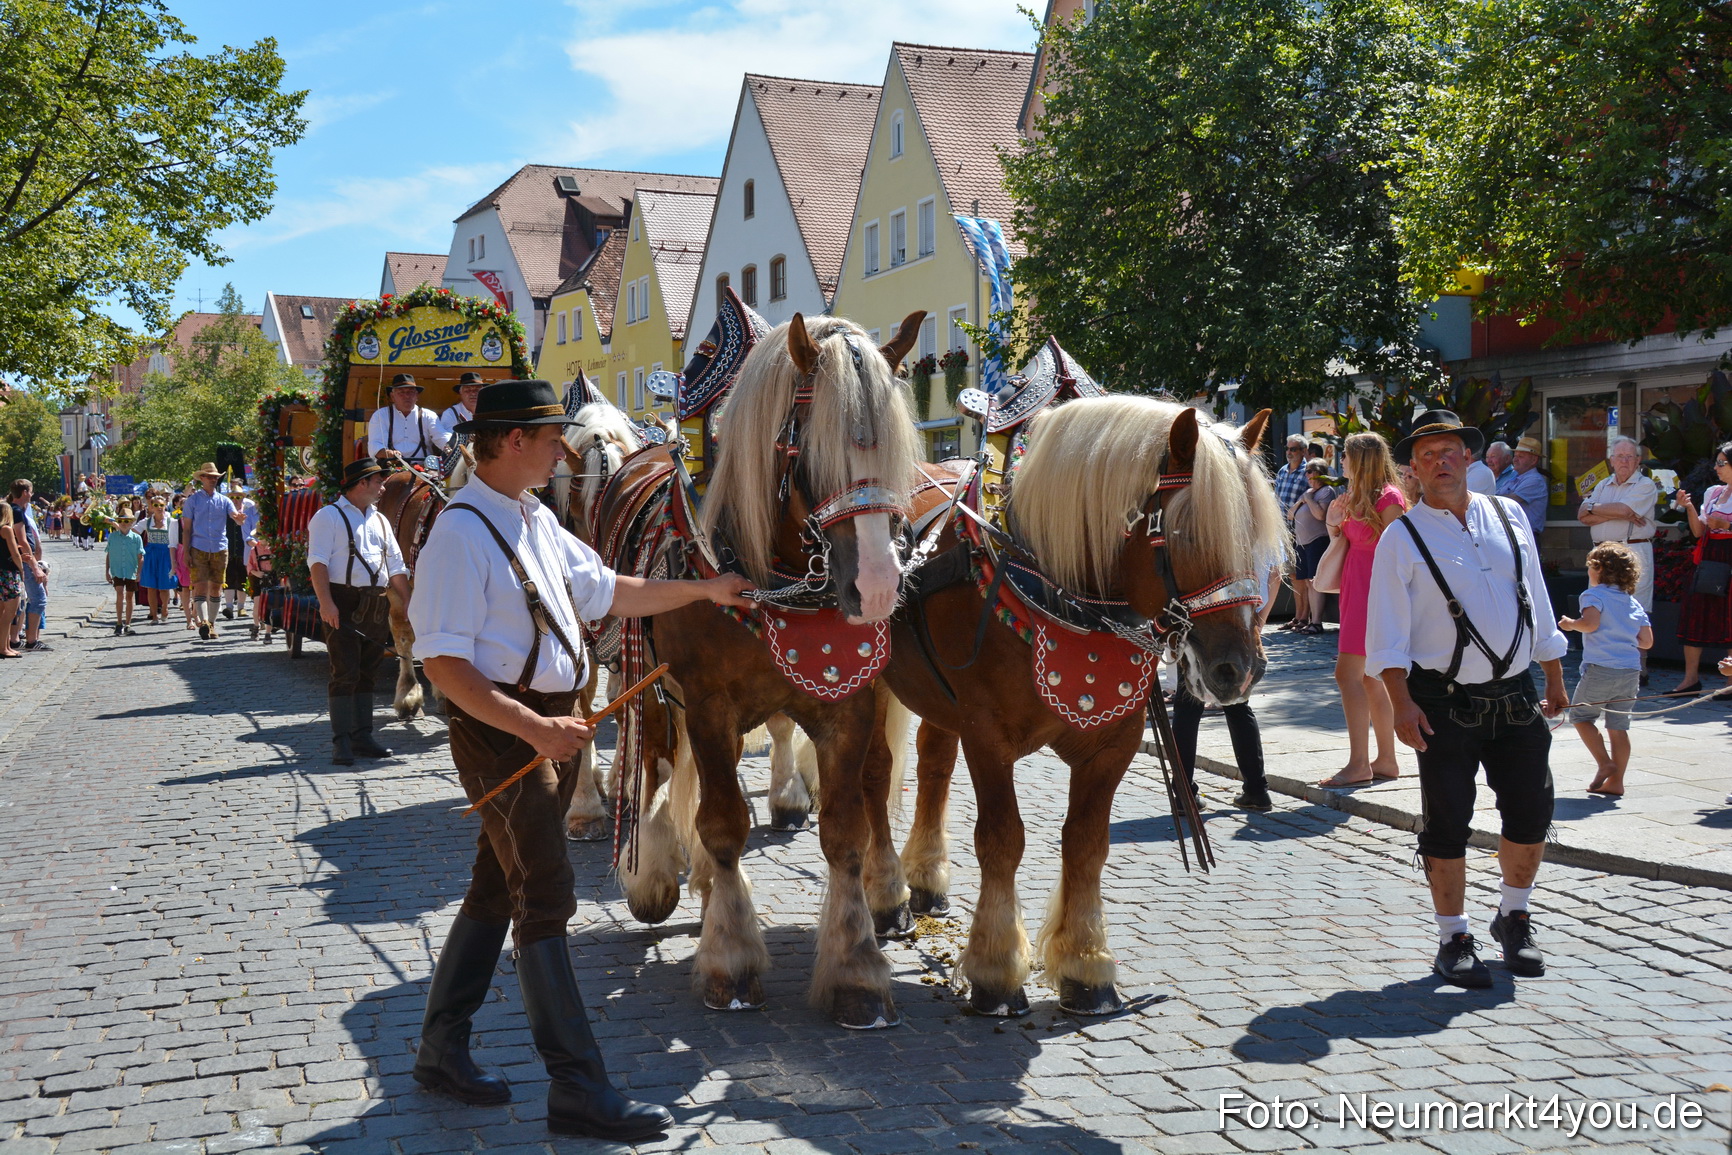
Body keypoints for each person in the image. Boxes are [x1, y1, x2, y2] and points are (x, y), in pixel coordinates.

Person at [407, 379, 752, 1140]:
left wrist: (706, 590)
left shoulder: (532, 517)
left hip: (547, 722)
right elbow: (443, 665)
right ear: (510, 441)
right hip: (501, 728)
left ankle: (439, 1049)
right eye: (550, 434)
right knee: (546, 891)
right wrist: (533, 726)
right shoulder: (459, 535)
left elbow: (613, 590)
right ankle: (578, 1086)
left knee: (498, 883)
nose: (564, 449)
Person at [1366, 410, 1568, 989]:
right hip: (1443, 700)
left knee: (1531, 813)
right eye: (1427, 455)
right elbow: (1387, 633)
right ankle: (1452, 935)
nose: (1440, 461)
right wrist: (1400, 703)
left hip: (1517, 694)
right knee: (1448, 820)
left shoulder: (1508, 515)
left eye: (1450, 449)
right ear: (1413, 468)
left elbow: (1537, 597)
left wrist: (1553, 674)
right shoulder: (1400, 537)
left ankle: (1514, 914)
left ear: (1468, 455)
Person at [307, 458, 410, 765]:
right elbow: (318, 564)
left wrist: (408, 602)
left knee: (368, 672)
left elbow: (396, 565)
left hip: (377, 601)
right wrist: (327, 603)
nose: (382, 488)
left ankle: (363, 737)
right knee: (344, 672)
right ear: (362, 483)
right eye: (379, 482)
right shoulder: (329, 516)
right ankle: (342, 742)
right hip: (343, 600)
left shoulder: (379, 519)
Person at [1319, 432, 1407, 787]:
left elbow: (1400, 551)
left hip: (1374, 593)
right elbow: (1341, 539)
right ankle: (1385, 759)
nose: (1341, 461)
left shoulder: (1388, 497)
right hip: (1357, 589)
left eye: (1345, 456)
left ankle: (1359, 764)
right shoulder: (1359, 496)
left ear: (1361, 459)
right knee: (1369, 678)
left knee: (1348, 676)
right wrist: (1333, 520)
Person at [1558, 541, 1652, 797]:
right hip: (1630, 670)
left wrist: (1570, 624)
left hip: (1601, 668)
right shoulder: (1632, 603)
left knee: (1580, 717)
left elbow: (1589, 624)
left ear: (1598, 569)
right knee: (1618, 726)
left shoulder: (1593, 595)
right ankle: (1617, 782)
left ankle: (1604, 762)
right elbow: (1647, 642)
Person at [1671, 442, 1732, 695]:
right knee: (1695, 613)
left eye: (1721, 462)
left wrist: (1727, 526)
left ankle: (1731, 682)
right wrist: (1689, 507)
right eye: (1716, 462)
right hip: (1709, 557)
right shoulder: (1713, 492)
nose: (1716, 467)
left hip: (1729, 556)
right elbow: (1698, 531)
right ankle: (1690, 680)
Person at [1578, 437, 1659, 615]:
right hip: (1600, 556)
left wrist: (1598, 510)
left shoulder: (1645, 484)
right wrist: (1618, 513)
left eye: (1629, 456)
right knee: (1598, 612)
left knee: (1632, 613)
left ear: (1638, 460)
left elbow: (1623, 510)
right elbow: (1583, 516)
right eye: (1620, 456)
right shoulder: (1602, 484)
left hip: (1631, 552)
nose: (1624, 461)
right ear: (1612, 460)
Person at [183, 463, 241, 640]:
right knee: (200, 588)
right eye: (210, 476)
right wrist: (186, 552)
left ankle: (211, 624)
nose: (213, 479)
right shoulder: (193, 501)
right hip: (198, 547)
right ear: (202, 478)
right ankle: (204, 622)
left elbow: (235, 517)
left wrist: (239, 518)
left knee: (216, 588)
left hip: (219, 548)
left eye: (215, 477)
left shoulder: (224, 500)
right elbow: (186, 529)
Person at [1286, 461, 1335, 634]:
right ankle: (1310, 620)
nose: (1307, 475)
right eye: (1306, 472)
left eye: (1310, 471)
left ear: (1320, 473)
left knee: (1315, 581)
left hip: (1317, 541)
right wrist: (1303, 499)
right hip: (1302, 542)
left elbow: (1320, 514)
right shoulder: (1308, 493)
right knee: (1307, 582)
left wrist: (1307, 499)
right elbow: (1290, 514)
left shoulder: (1326, 491)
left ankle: (1317, 621)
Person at [7, 481, 49, 653]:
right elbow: (22, 540)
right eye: (31, 491)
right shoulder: (15, 511)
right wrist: (35, 566)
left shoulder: (13, 509)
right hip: (23, 561)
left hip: (19, 560)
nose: (32, 494)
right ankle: (31, 640)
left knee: (19, 601)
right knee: (38, 599)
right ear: (25, 492)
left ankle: (16, 639)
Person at [368, 373, 448, 462]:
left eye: (410, 392)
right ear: (392, 396)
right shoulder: (381, 415)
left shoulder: (428, 415)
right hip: (389, 467)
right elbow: (375, 444)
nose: (406, 396)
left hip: (424, 469)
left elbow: (441, 437)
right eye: (401, 392)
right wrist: (388, 453)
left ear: (416, 396)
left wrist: (454, 446)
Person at [1498, 434, 1550, 540]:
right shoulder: (1514, 477)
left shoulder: (1535, 480)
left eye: (1520, 456)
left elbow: (1509, 500)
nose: (1515, 459)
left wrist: (1486, 498)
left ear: (1534, 460)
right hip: (1514, 535)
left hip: (1525, 536)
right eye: (1515, 455)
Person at [138, 497, 178, 625]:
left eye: (161, 505)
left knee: (164, 586)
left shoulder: (171, 521)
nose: (159, 507)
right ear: (151, 507)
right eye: (156, 505)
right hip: (151, 555)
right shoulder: (146, 522)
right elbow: (132, 532)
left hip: (165, 555)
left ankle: (165, 608)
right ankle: (154, 615)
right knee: (151, 587)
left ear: (165, 505)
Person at [105, 512, 144, 636]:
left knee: (129, 596)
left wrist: (139, 572)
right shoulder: (112, 537)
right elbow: (109, 554)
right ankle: (118, 622)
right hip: (117, 570)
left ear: (132, 522)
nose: (123, 523)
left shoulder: (137, 538)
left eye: (127, 521)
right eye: (121, 520)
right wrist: (107, 571)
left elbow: (140, 556)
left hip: (131, 570)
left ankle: (128, 623)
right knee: (119, 593)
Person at [221, 486, 253, 619]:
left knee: (242, 579)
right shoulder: (225, 513)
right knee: (228, 579)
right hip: (228, 549)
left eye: (238, 497)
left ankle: (241, 607)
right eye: (232, 497)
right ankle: (228, 606)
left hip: (243, 550)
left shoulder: (248, 513)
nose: (235, 500)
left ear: (243, 498)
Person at [0, 502, 23, 658]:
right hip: (8, 574)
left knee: (2, 613)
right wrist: (22, 569)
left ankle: (5, 645)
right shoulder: (6, 529)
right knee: (10, 614)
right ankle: (3, 648)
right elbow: (14, 554)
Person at [436, 371, 486, 441]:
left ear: (483, 392)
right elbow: (449, 440)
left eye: (477, 390)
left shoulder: (489, 412)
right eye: (467, 390)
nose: (473, 393)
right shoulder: (450, 413)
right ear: (460, 393)